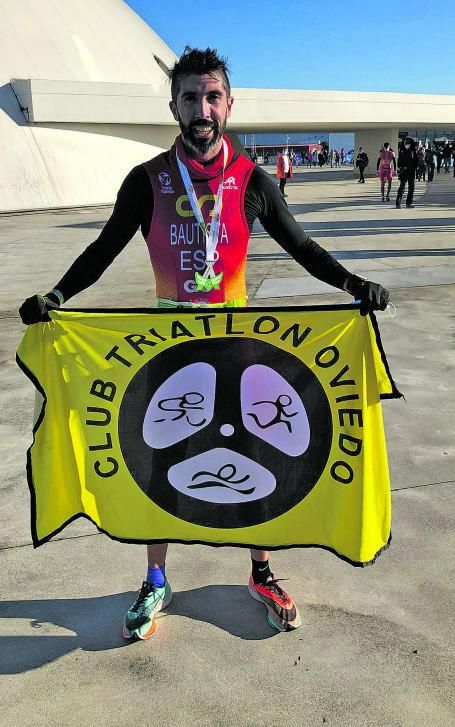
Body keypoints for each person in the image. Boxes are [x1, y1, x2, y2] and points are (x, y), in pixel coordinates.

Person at [19, 47, 390, 641]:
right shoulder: (147, 182)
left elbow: (304, 249)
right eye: (190, 97)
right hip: (166, 352)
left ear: (228, 104)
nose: (202, 109)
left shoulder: (252, 181)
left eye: (212, 96)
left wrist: (353, 284)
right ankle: (156, 580)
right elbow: (103, 249)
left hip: (239, 351)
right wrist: (57, 296)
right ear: (174, 105)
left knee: (262, 456)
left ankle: (261, 572)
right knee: (156, 460)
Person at [395, 137, 417, 208]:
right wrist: (402, 168)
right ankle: (398, 203)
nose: (407, 145)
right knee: (402, 187)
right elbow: (399, 163)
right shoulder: (401, 151)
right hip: (404, 172)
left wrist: (415, 168)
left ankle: (408, 203)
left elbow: (415, 161)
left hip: (411, 171)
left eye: (409, 144)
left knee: (411, 187)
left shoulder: (413, 151)